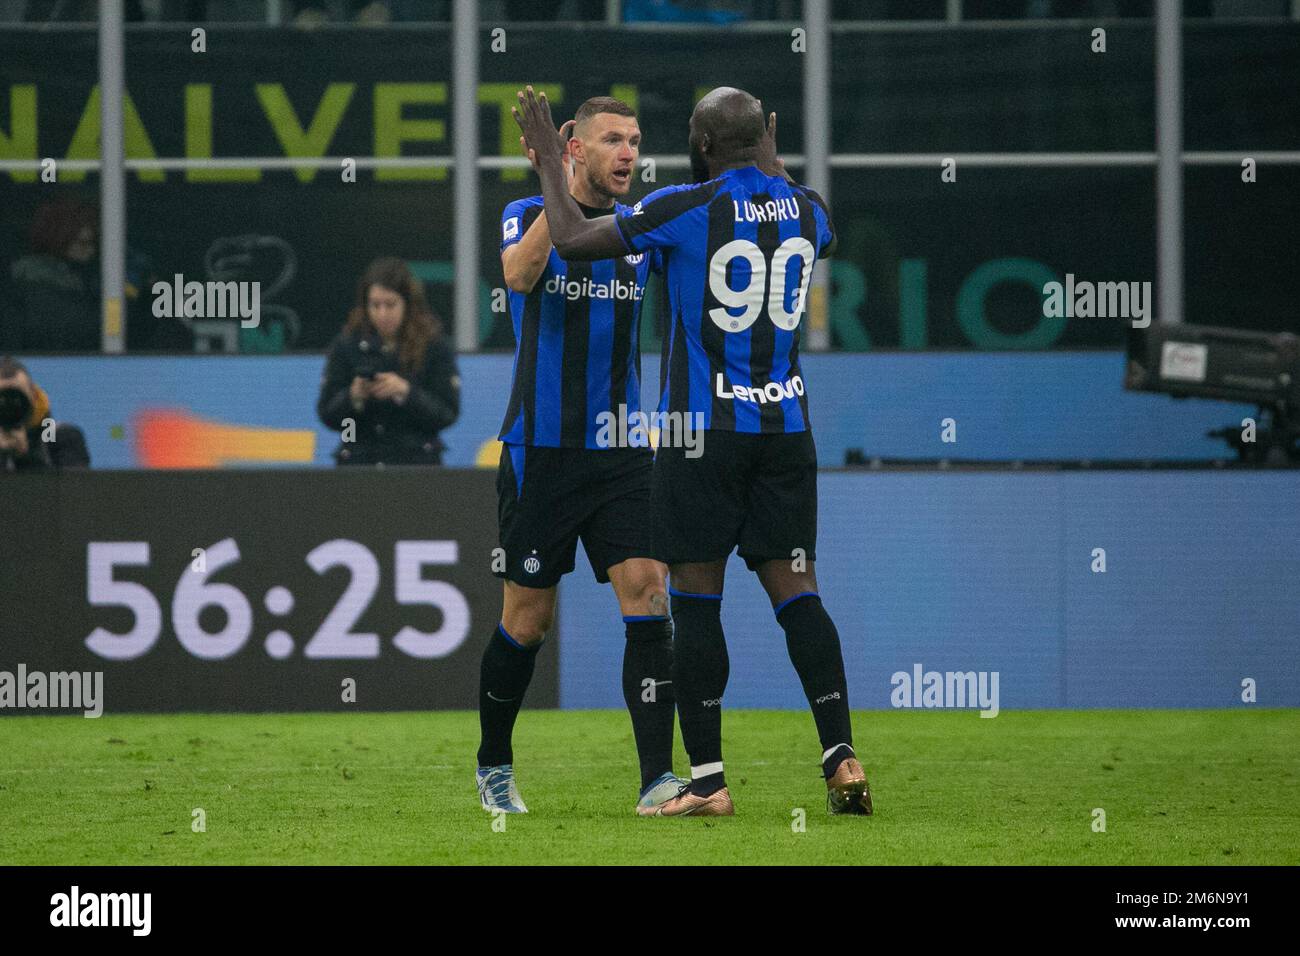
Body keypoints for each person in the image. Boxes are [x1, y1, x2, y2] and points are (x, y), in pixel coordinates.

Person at [514, 85, 871, 817]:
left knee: (696, 600)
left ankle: (707, 782)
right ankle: (841, 755)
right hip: (786, 434)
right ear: (767, 140)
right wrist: (767, 162)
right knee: (799, 595)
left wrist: (552, 160)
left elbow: (577, 242)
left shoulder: (683, 207)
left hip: (703, 434)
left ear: (701, 146)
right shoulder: (809, 208)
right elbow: (811, 218)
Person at [476, 97, 687, 815]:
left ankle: (658, 780)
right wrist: (550, 182)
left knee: (647, 592)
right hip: (540, 448)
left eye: (635, 140)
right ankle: (494, 764)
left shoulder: (641, 228)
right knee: (527, 619)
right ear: (576, 149)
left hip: (622, 446)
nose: (628, 153)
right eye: (612, 141)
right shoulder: (522, 210)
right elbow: (518, 275)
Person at [317, 258, 459, 465]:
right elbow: (327, 413)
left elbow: (447, 413)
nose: (382, 314)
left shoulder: (433, 346)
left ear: (408, 303)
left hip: (416, 462)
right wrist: (353, 396)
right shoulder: (347, 344)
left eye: (390, 304)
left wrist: (405, 392)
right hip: (359, 461)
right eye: (375, 305)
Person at [0, 356, 90, 472]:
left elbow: (75, 488)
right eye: (1, 399)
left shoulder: (62, 438)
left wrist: (25, 456)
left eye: (17, 398)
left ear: (35, 396)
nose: (9, 407)